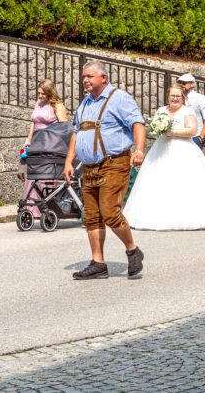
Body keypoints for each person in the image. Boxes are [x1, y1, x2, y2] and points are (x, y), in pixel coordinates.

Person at [64, 61, 146, 280]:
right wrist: (69, 160)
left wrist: (138, 150)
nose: (85, 81)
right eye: (83, 77)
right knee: (92, 217)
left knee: (109, 211)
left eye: (89, 76)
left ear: (104, 78)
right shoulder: (85, 104)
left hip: (114, 163)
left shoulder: (119, 98)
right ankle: (98, 263)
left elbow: (138, 123)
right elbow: (76, 132)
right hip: (89, 167)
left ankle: (132, 250)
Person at [124, 85, 205, 230]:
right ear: (167, 97)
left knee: (185, 181)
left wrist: (171, 131)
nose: (175, 99)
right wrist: (159, 130)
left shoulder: (187, 111)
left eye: (178, 96)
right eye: (172, 96)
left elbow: (192, 130)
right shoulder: (161, 111)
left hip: (183, 149)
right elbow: (154, 129)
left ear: (183, 98)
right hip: (161, 149)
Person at [20, 80, 68, 217]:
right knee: (33, 174)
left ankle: (45, 207)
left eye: (43, 94)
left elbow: (64, 129)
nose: (40, 96)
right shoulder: (39, 104)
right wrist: (27, 141)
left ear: (50, 93)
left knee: (44, 175)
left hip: (49, 144)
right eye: (39, 93)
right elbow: (33, 124)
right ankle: (31, 208)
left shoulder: (58, 106)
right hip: (36, 142)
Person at [179, 73, 205, 149]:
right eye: (179, 83)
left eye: (184, 83)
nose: (181, 85)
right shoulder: (177, 98)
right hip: (180, 136)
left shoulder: (201, 99)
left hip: (195, 137)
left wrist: (201, 137)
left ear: (192, 84)